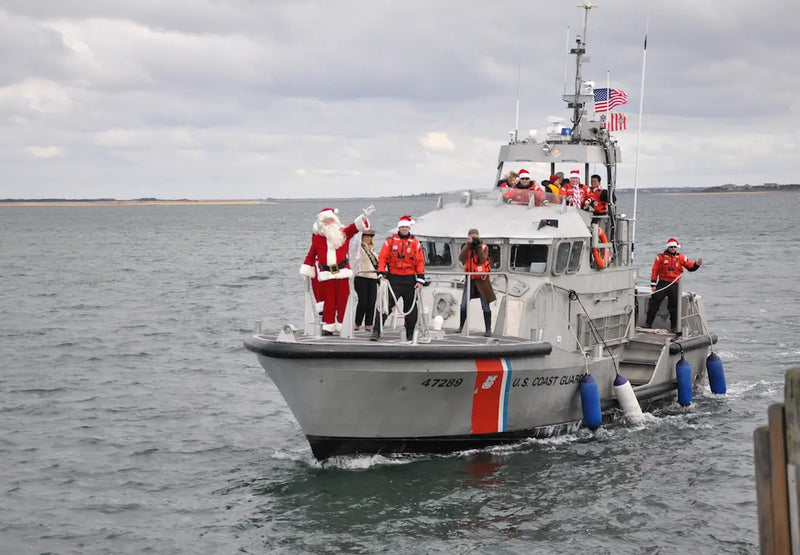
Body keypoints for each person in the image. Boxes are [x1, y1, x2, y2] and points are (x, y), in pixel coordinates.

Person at [300, 207, 371, 335]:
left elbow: (355, 227)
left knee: (343, 299)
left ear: (335, 220)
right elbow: (311, 253)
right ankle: (329, 326)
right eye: (326, 221)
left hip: (342, 272)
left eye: (331, 220)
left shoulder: (343, 233)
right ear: (321, 223)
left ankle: (343, 323)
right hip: (326, 274)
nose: (329, 223)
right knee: (329, 301)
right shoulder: (317, 237)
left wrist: (363, 218)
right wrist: (307, 269)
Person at [371, 215, 426, 342]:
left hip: (410, 280)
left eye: (406, 227)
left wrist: (420, 279)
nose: (405, 229)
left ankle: (410, 333)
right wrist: (381, 273)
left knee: (411, 309)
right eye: (402, 227)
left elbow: (420, 261)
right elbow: (383, 257)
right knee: (385, 306)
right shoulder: (389, 241)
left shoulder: (415, 243)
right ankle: (376, 331)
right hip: (394, 279)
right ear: (399, 228)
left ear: (409, 228)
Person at [644, 238, 703, 333]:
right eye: (671, 247)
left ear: (676, 248)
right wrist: (653, 284)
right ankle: (648, 324)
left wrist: (696, 265)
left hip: (675, 284)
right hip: (663, 283)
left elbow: (690, 267)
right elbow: (655, 271)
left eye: (674, 247)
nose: (672, 248)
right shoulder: (660, 257)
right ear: (668, 247)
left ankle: (674, 327)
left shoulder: (681, 258)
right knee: (654, 302)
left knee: (674, 306)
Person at [457, 229, 496, 336]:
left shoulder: (484, 247)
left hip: (482, 280)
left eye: (475, 237)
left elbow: (482, 260)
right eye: (471, 237)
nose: (473, 239)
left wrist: (478, 246)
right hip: (470, 280)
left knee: (485, 305)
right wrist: (468, 246)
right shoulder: (467, 247)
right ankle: (461, 326)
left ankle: (488, 329)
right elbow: (461, 258)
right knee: (463, 305)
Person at [353, 229, 379, 331]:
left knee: (371, 302)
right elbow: (355, 242)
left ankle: (369, 323)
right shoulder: (359, 248)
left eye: (370, 236)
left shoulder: (373, 249)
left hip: (372, 278)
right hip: (361, 277)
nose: (368, 238)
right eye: (366, 236)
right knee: (363, 301)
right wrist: (361, 227)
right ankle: (357, 323)